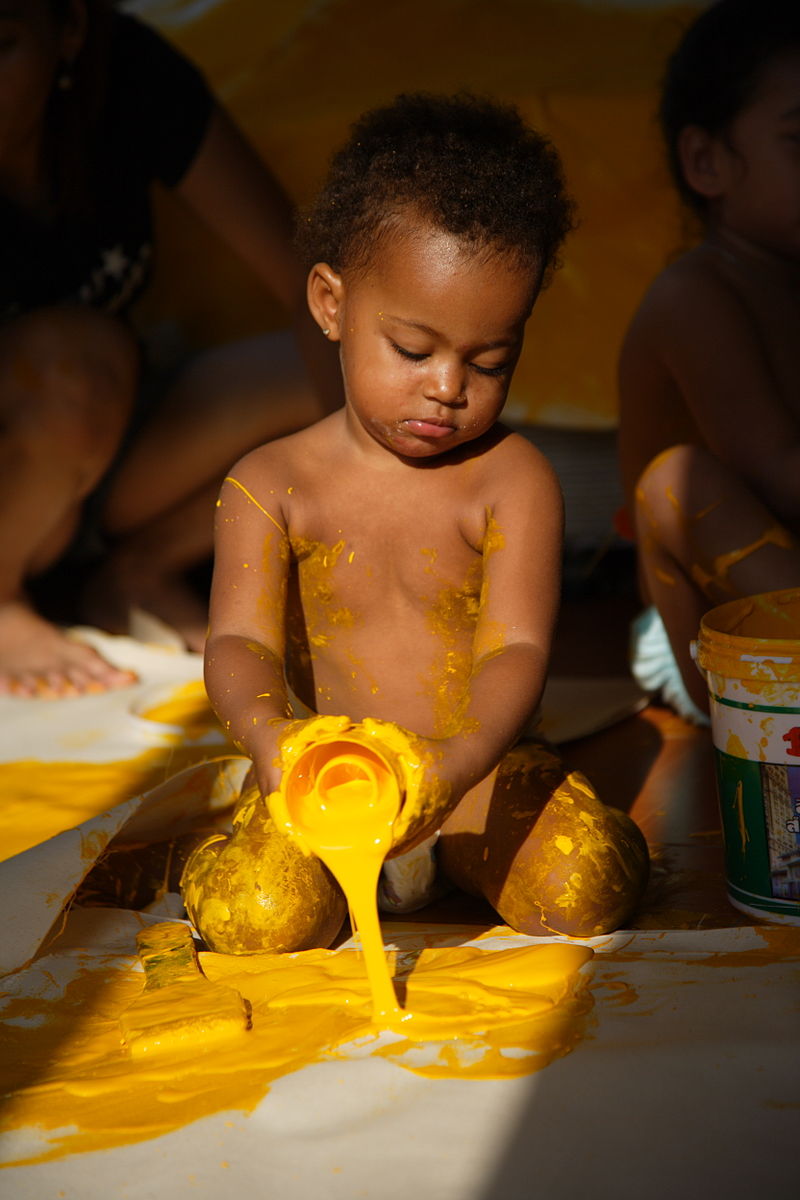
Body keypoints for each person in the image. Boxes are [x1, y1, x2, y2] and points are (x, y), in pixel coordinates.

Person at [200, 92, 649, 941]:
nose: (448, 388)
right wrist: (272, 743)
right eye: (414, 351)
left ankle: (470, 854)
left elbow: (517, 647)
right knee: (257, 919)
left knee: (590, 885)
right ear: (331, 305)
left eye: (491, 361)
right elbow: (240, 643)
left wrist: (458, 764)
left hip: (476, 778)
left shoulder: (510, 480)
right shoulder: (270, 482)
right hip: (325, 784)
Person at [0, 0, 341, 699]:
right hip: (36, 455)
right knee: (73, 363)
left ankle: (137, 569)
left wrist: (374, 516)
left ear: (68, 29)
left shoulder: (130, 77)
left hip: (100, 457)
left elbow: (306, 280)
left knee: (365, 365)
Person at [618, 0, 800, 721]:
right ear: (706, 161)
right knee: (676, 485)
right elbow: (778, 472)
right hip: (712, 626)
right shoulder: (695, 297)